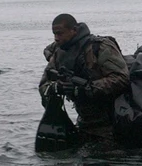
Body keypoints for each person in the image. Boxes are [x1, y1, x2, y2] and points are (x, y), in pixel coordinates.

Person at [38, 14, 130, 143]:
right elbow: (44, 85)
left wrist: (85, 89)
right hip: (84, 122)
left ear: (74, 30)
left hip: (111, 122)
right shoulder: (59, 54)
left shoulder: (100, 47)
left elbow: (122, 78)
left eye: (60, 34)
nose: (56, 38)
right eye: (54, 34)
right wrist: (56, 87)